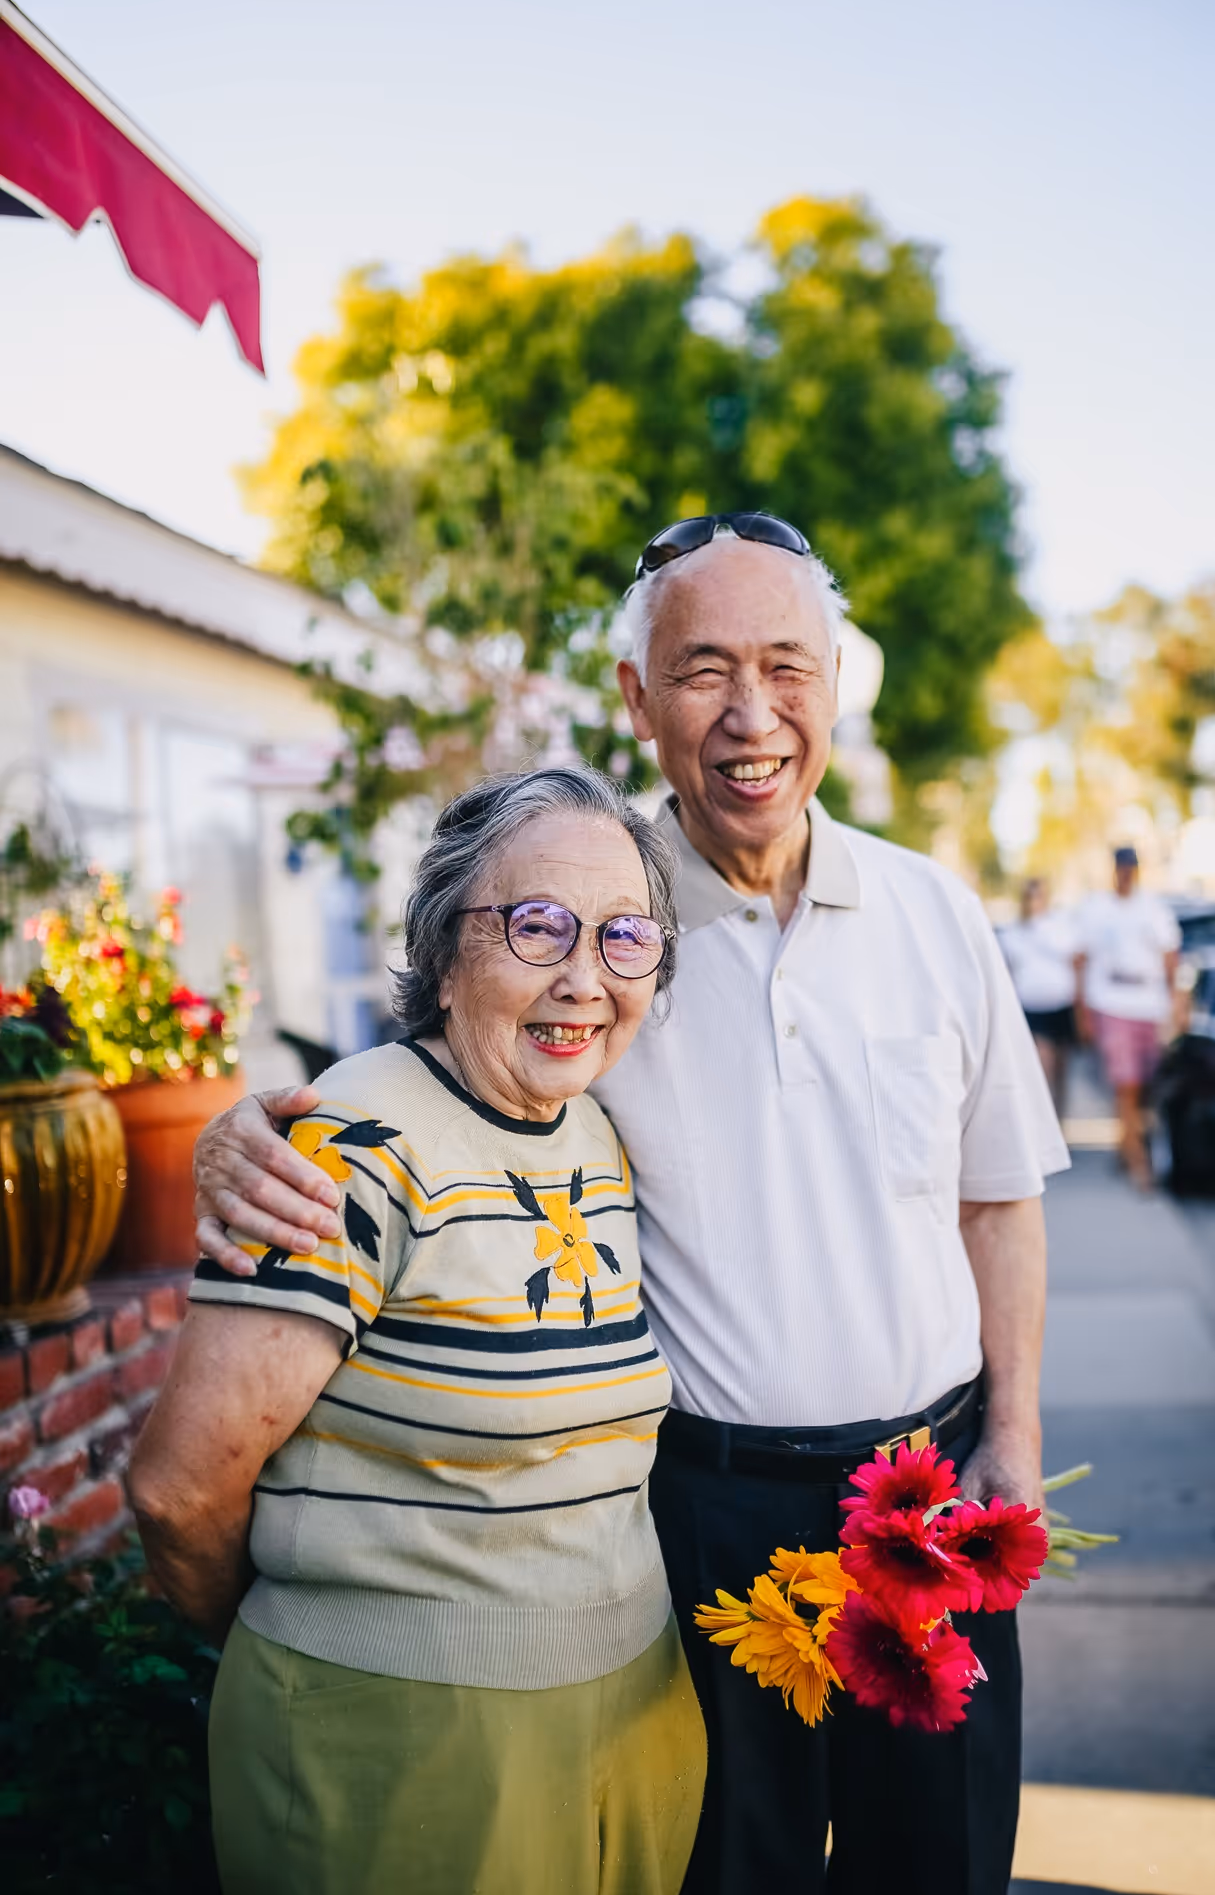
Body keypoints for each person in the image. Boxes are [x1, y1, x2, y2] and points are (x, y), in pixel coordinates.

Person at [193, 512, 1068, 1895]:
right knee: (730, 1874)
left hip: (931, 1494)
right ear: (636, 699)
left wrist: (1012, 1436)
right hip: (703, 1517)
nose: (750, 714)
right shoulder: (605, 928)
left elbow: (1000, 1195)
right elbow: (438, 1059)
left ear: (836, 682)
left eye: (789, 666)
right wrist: (241, 1127)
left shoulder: (936, 913)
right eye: (702, 668)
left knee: (944, 1865)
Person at [127, 767, 706, 1895]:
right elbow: (176, 1490)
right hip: (395, 1746)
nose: (584, 977)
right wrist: (326, 1642)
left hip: (631, 1718)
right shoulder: (351, 1142)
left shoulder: (594, 1131)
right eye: (536, 927)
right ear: (444, 952)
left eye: (623, 936)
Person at [1073, 845, 1180, 1188]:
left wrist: (1175, 1006)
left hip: (1148, 1004)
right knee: (1126, 1085)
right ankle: (1138, 1164)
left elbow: (1170, 958)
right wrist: (1083, 1013)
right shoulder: (1097, 909)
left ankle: (1127, 1146)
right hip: (1112, 1002)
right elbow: (1080, 959)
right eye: (1121, 867)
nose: (1125, 873)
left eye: (1130, 867)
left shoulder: (1152, 908)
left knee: (1145, 1086)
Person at [998, 877, 1078, 1115]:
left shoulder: (1061, 926)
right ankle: (1046, 1121)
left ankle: (1059, 1123)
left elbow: (1075, 961)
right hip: (1033, 1007)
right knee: (1044, 1070)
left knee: (1061, 1071)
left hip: (1061, 1006)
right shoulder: (1012, 933)